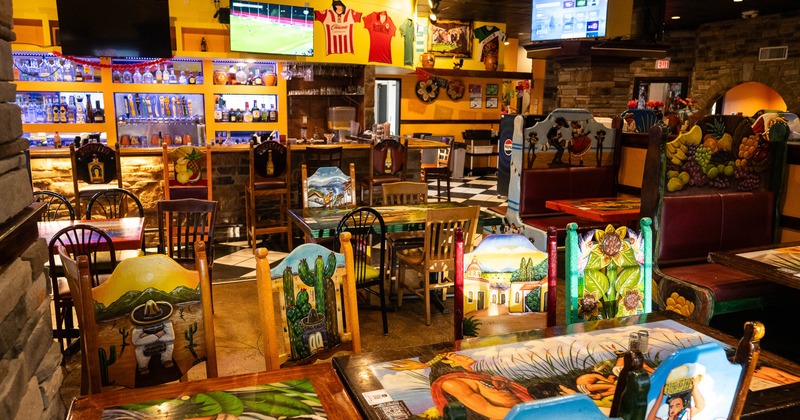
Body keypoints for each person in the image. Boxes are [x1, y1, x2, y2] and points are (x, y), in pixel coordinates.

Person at [389, 352, 533, 419]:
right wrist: (529, 415)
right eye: (453, 354)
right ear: (448, 362)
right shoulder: (452, 383)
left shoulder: (480, 375)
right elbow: (487, 410)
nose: (461, 354)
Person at [130, 300, 175, 376]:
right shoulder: (139, 327)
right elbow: (136, 342)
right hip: (146, 347)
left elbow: (171, 337)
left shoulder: (166, 322)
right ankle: (143, 366)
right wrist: (157, 335)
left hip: (161, 344)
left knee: (169, 344)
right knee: (139, 349)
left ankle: (166, 359)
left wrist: (147, 337)